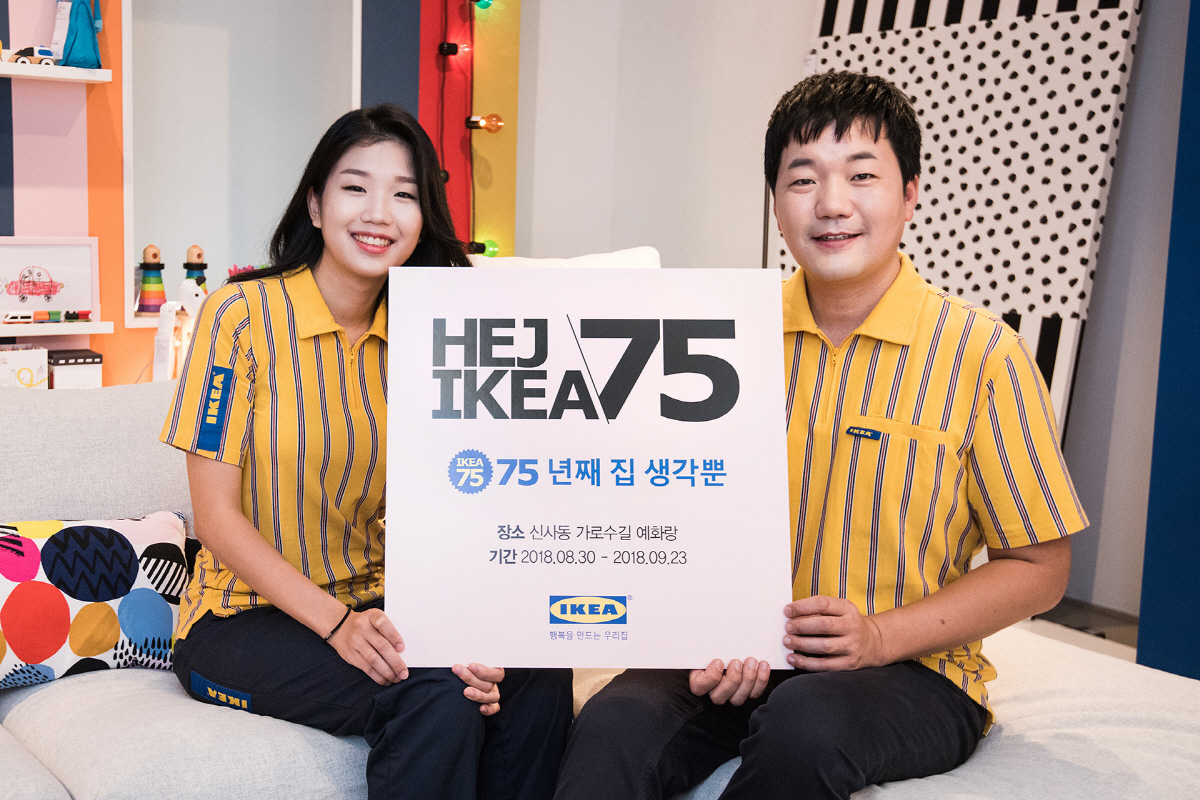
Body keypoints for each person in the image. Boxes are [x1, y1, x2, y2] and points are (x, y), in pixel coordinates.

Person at [554, 71, 1088, 800]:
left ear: (910, 194)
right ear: (776, 205)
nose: (832, 203)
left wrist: (879, 636)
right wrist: (707, 626)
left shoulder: (983, 353)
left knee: (805, 725)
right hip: (737, 657)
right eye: (803, 179)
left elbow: (1041, 566)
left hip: (914, 669)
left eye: (862, 175)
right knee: (612, 723)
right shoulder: (720, 339)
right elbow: (668, 514)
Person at [161, 104, 574, 800]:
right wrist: (338, 626)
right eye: (355, 187)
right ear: (316, 205)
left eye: (404, 194)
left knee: (532, 670)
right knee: (438, 693)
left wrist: (477, 625)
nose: (379, 212)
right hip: (238, 619)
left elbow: (462, 500)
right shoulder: (241, 315)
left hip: (381, 600)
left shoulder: (431, 334)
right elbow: (215, 518)